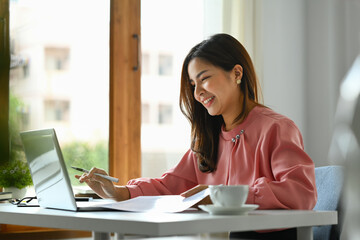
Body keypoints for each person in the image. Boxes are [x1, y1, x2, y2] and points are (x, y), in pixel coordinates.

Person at [76, 33, 317, 239]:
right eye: (193, 84)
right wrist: (120, 192)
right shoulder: (207, 141)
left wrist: (223, 196)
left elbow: (302, 193)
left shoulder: (276, 128)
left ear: (236, 73)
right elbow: (168, 186)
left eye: (205, 79)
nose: (198, 92)